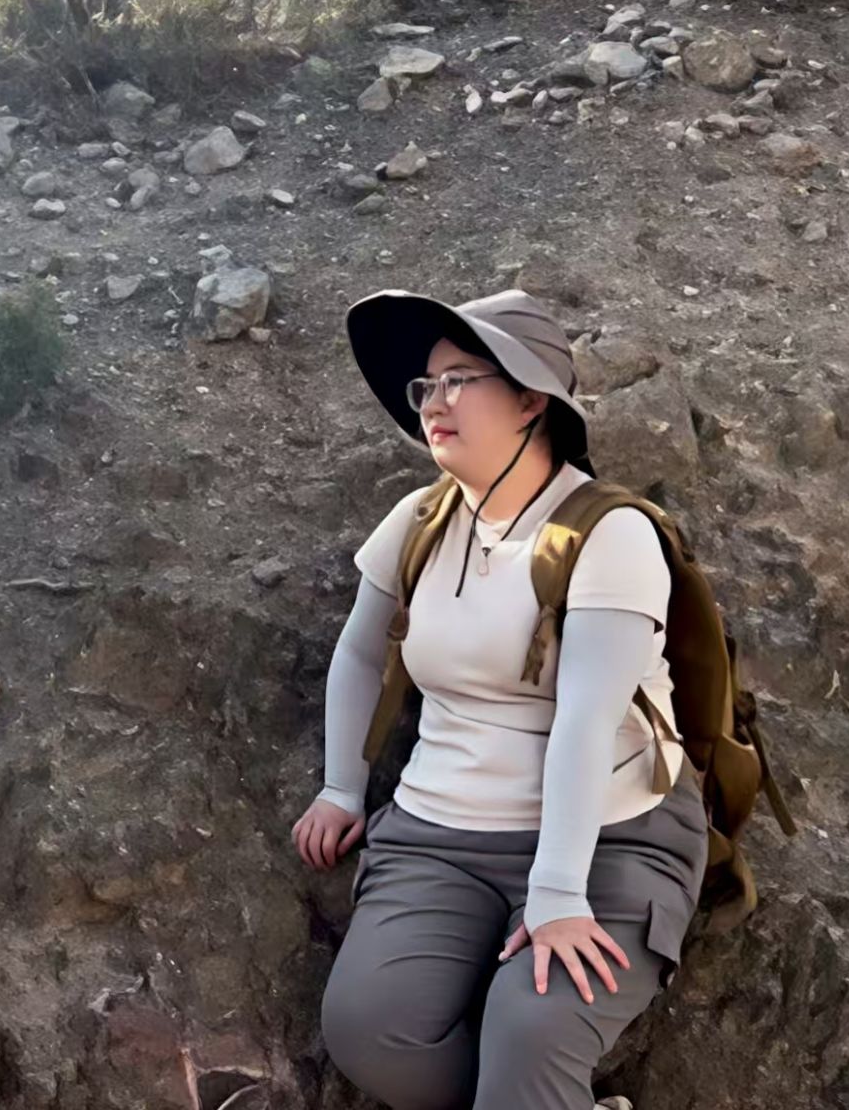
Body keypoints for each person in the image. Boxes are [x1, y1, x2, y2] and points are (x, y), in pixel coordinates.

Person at [294, 291, 708, 1110]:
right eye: (425, 386)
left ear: (530, 401)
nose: (433, 402)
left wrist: (557, 894)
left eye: (459, 380)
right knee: (371, 1030)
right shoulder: (419, 519)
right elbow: (361, 652)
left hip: (609, 837)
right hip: (439, 835)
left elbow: (587, 717)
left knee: (531, 1029)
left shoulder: (609, 533)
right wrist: (342, 787)